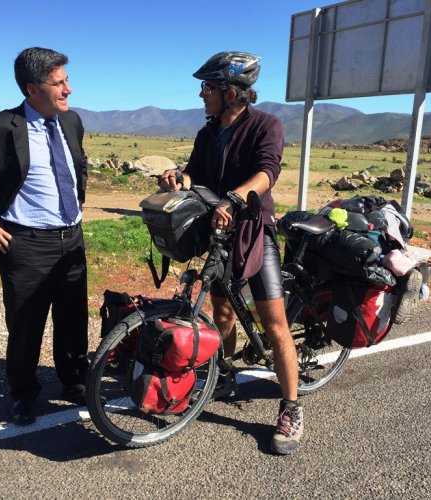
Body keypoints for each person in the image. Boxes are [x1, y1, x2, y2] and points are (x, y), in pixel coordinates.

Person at [158, 51, 303, 455]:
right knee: (221, 311)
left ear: (231, 92)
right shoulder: (208, 131)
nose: (202, 94)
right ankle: (223, 376)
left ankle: (291, 408)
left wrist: (238, 197)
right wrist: (179, 176)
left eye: (208, 87)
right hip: (218, 230)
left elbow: (267, 171)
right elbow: (197, 173)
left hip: (254, 230)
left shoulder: (265, 125)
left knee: (274, 325)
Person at [0, 47, 90, 426]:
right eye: (58, 83)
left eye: (66, 81)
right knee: (26, 324)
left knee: (74, 318)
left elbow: (79, 167)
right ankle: (24, 393)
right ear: (32, 89)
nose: (68, 90)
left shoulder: (72, 122)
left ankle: (74, 380)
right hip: (24, 244)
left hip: (71, 239)